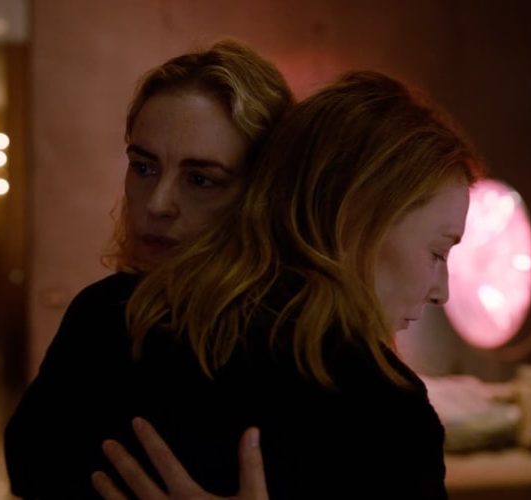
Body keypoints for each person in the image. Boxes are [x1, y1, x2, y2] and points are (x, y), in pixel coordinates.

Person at [89, 71, 483, 499]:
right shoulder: (383, 411)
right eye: (438, 252)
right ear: (355, 220)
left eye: (199, 178)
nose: (441, 291)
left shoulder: (107, 314)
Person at [4, 39, 293, 498]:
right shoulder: (102, 311)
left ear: (261, 193)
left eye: (200, 179)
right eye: (144, 167)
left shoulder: (299, 339)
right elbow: (29, 466)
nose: (157, 204)